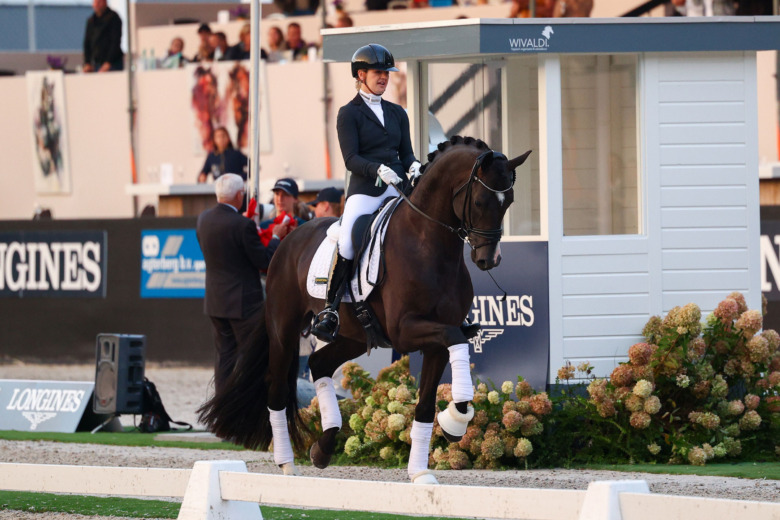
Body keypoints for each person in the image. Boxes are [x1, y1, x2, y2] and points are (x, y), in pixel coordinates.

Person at [310, 44, 420, 343]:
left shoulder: (398, 113)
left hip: (398, 188)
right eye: (378, 73)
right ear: (361, 74)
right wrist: (376, 170)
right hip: (366, 191)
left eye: (387, 73)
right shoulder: (349, 114)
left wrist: (415, 167)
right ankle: (331, 310)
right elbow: (350, 159)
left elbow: (407, 154)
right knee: (347, 240)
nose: (384, 77)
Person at [196, 174, 290, 394]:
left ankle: (224, 414)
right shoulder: (242, 225)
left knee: (224, 360)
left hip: (215, 302)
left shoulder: (203, 219)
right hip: (243, 305)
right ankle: (247, 412)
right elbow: (263, 260)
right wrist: (275, 237)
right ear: (239, 195)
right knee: (251, 360)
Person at [82, 0, 124, 73]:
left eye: (99, 2)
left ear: (105, 2)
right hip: (96, 63)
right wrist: (87, 62)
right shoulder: (91, 21)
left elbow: (115, 42)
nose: (96, 5)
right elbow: (87, 43)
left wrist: (108, 62)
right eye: (95, 2)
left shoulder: (113, 18)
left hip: (113, 64)